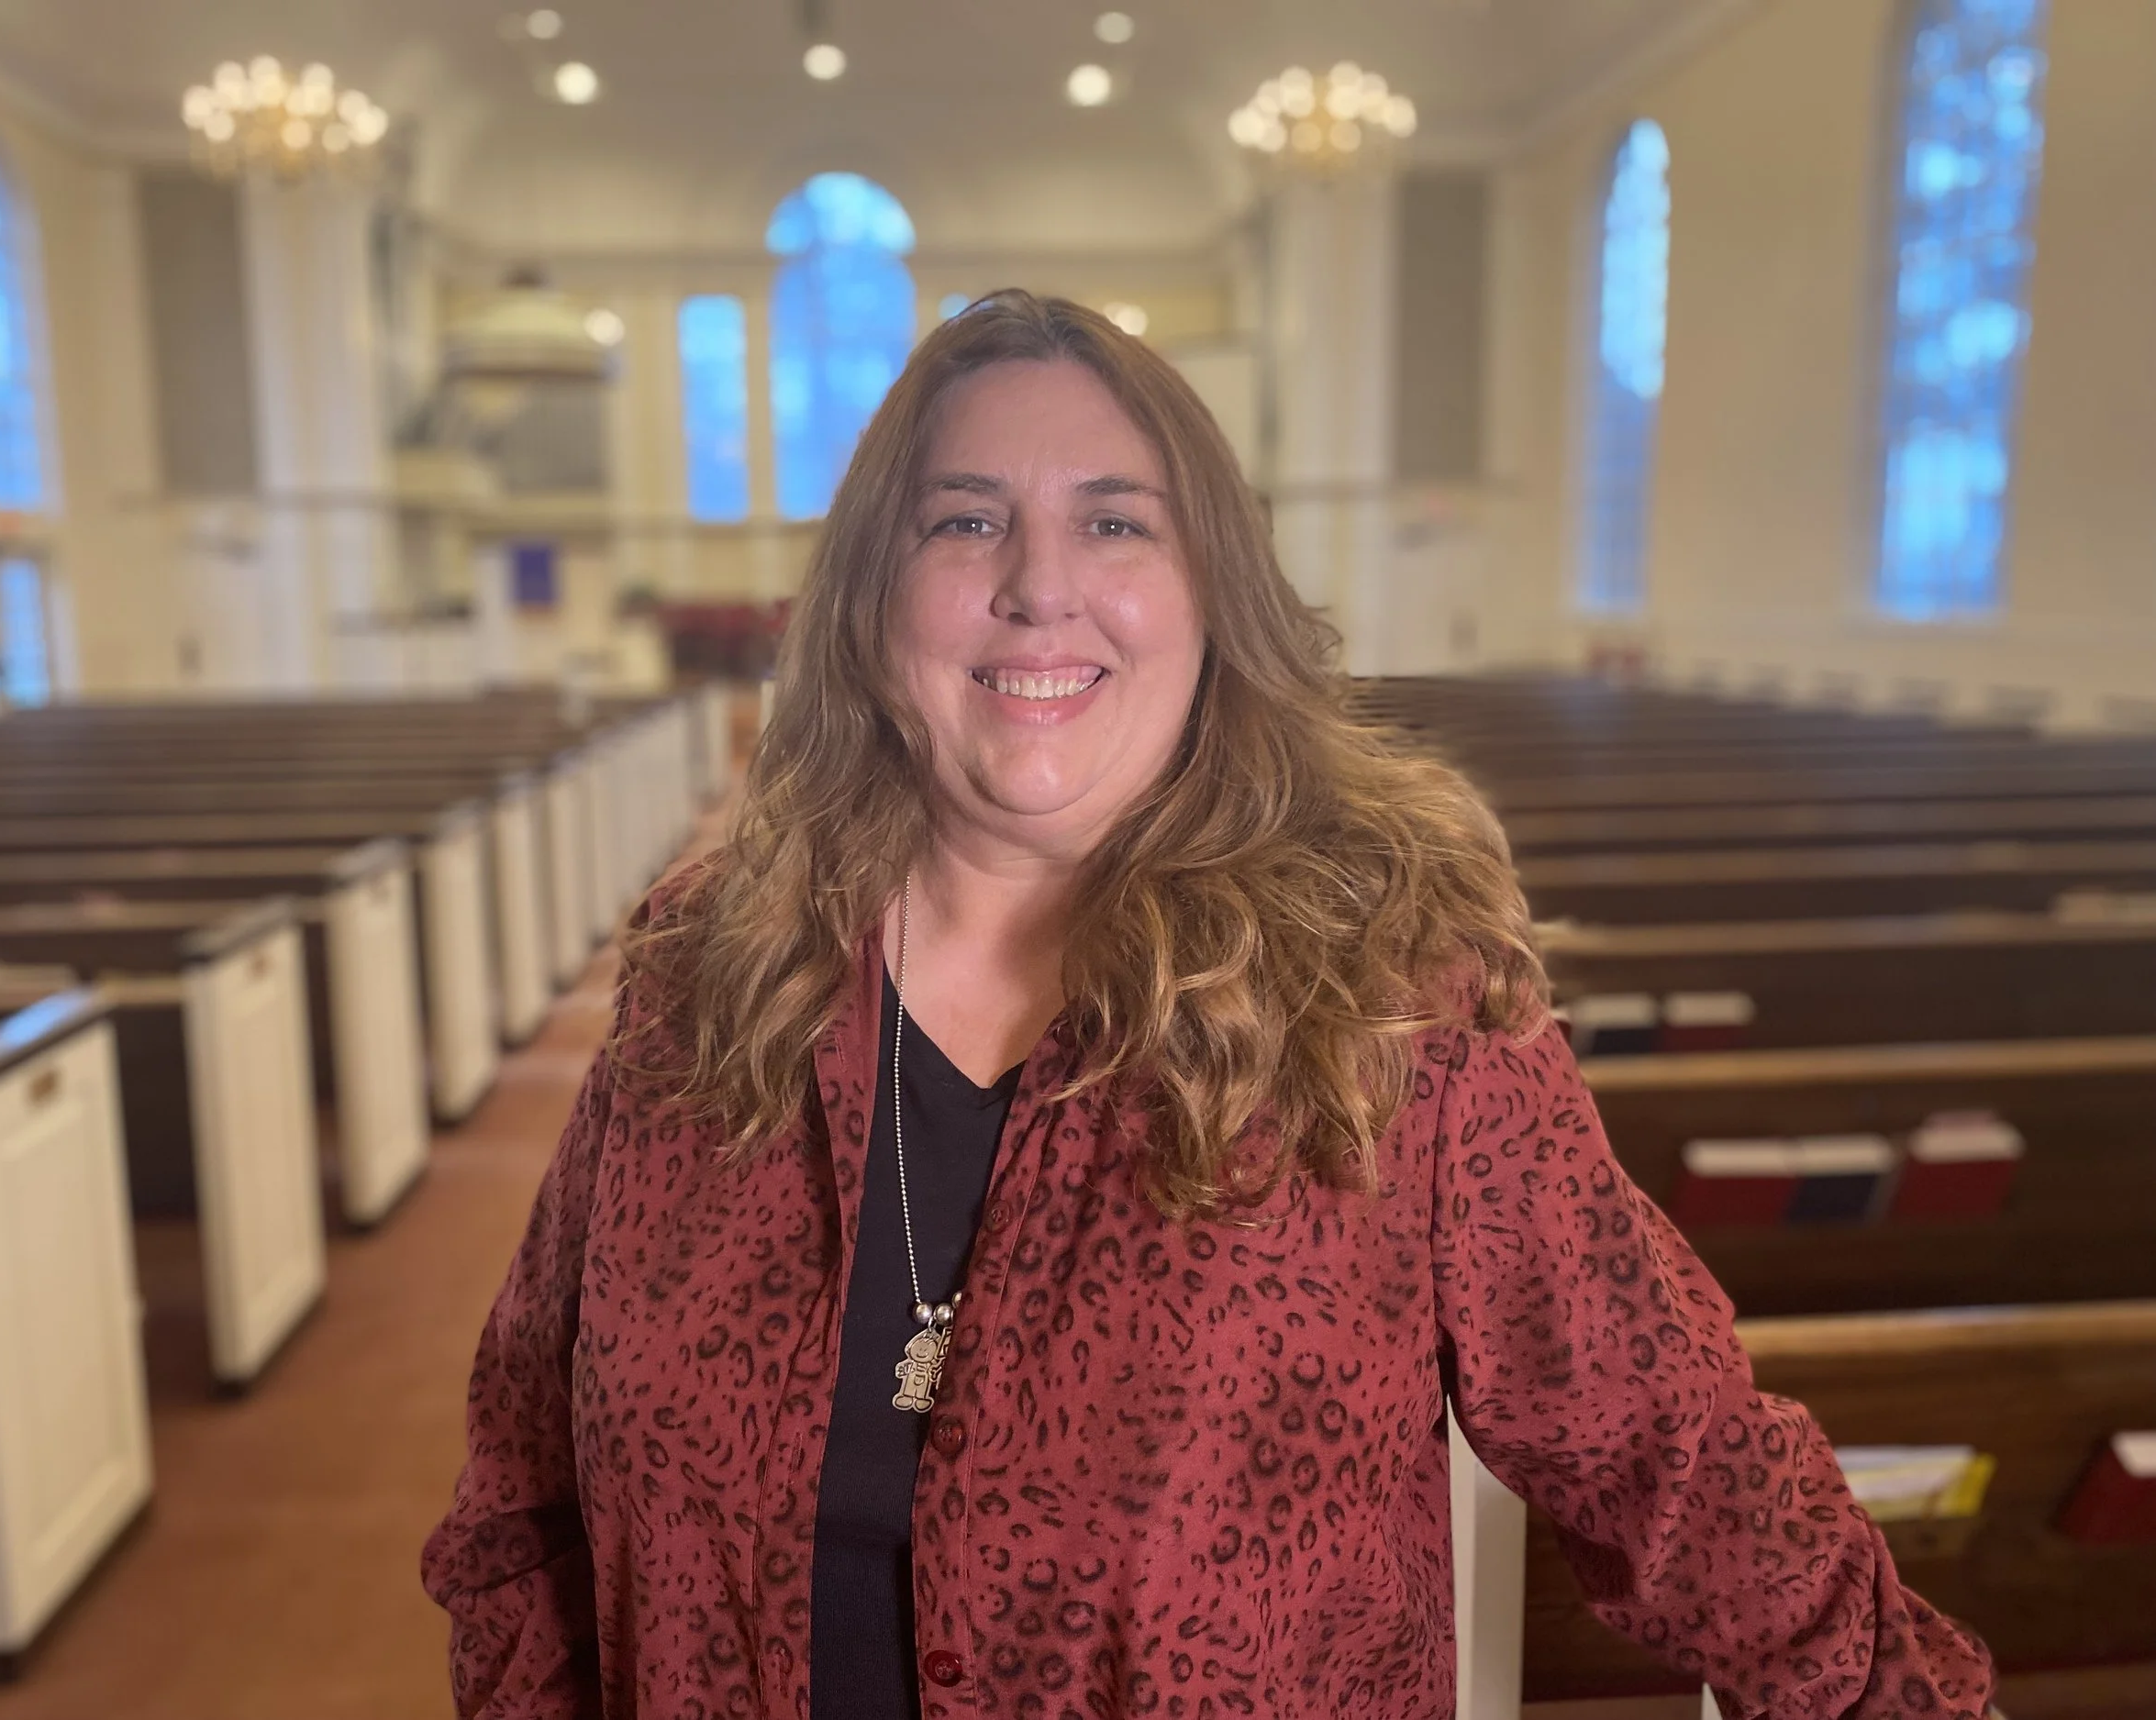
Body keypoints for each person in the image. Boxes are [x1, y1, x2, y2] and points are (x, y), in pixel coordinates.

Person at [422, 291, 1994, 1719]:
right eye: (965, 521)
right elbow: (522, 1495)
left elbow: (1678, 1454)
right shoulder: (706, 976)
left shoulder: (1390, 1009)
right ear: (869, 600)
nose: (1041, 587)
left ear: (1211, 594)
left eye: (1117, 524)